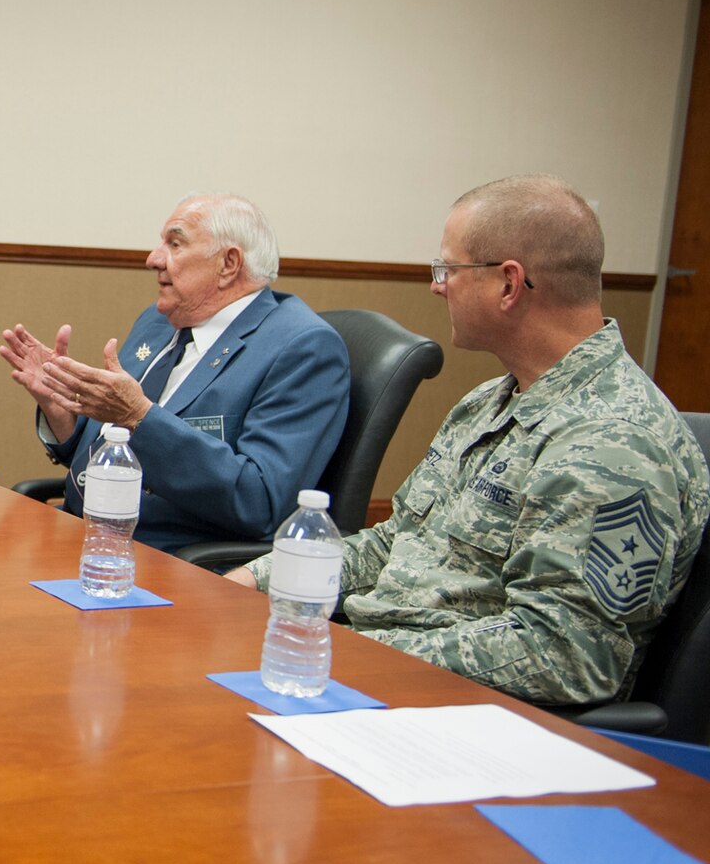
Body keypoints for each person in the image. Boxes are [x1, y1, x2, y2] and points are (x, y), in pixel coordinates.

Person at [235, 175, 709, 707]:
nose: (438, 286)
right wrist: (254, 581)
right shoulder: (490, 400)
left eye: (448, 270)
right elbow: (398, 542)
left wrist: (352, 651)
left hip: (461, 714)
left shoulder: (611, 442)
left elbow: (563, 656)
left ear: (509, 284)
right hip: (372, 670)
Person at [0, 194, 350, 553]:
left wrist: (139, 416)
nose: (153, 259)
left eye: (175, 243)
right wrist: (63, 412)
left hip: (176, 560)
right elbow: (114, 450)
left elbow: (258, 500)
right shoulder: (159, 322)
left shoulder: (303, 347)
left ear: (229, 263)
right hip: (85, 533)